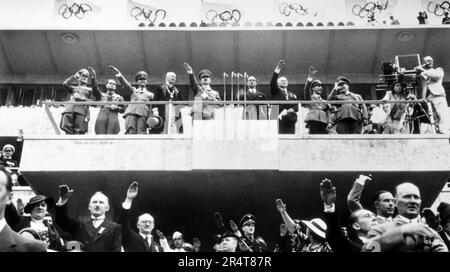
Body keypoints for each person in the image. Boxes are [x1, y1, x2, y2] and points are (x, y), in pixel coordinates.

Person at [366, 182, 448, 252]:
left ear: (420, 202)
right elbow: (368, 250)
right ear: (395, 202)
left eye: (416, 197)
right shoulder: (379, 230)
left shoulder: (430, 231)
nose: (412, 201)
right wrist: (402, 231)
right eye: (407, 196)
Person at [55, 185, 122, 252]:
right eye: (94, 202)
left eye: (101, 202)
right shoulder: (80, 224)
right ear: (89, 207)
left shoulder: (115, 228)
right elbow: (63, 221)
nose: (97, 205)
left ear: (107, 208)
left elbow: (117, 250)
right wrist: (63, 200)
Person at [320, 178, 380, 252]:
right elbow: (335, 233)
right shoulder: (350, 248)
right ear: (356, 226)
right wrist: (329, 205)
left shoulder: (386, 244)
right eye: (367, 216)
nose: (374, 218)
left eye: (374, 215)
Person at [0, 167, 47, 252]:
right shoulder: (20, 221)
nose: (40, 208)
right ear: (30, 209)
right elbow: (11, 213)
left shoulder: (51, 229)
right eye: (36, 205)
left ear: (9, 197)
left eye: (43, 205)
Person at [109, 66, 163, 134]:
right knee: (130, 130)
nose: (142, 80)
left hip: (143, 113)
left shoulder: (151, 94)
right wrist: (118, 73)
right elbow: (126, 84)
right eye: (140, 79)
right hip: (131, 112)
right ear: (137, 82)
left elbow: (155, 105)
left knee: (141, 131)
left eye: (144, 79)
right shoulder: (133, 90)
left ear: (146, 81)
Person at [118, 181, 163, 252]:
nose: (147, 224)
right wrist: (129, 199)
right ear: (138, 225)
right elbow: (123, 224)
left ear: (153, 226)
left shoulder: (159, 248)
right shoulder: (130, 237)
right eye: (144, 222)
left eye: (150, 222)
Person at [416, 56, 449, 134]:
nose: (430, 62)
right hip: (430, 97)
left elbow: (437, 76)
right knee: (433, 116)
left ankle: (445, 132)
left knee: (442, 114)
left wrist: (422, 69)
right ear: (423, 63)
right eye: (428, 61)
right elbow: (424, 87)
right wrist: (423, 100)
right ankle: (438, 131)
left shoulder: (438, 70)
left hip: (438, 95)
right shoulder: (423, 73)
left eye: (431, 60)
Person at [60, 67, 99, 134]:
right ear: (79, 77)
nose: (84, 77)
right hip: (70, 109)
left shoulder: (90, 90)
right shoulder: (73, 88)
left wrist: (83, 99)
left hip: (81, 111)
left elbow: (95, 102)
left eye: (86, 76)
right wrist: (74, 76)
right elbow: (65, 84)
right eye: (82, 75)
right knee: (66, 126)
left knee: (79, 130)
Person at [271, 60, 299, 134]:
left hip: (289, 118)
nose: (284, 81)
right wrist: (277, 69)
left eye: (285, 80)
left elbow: (297, 106)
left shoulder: (293, 94)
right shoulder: (275, 91)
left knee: (290, 137)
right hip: (277, 116)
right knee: (278, 137)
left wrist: (292, 109)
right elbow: (272, 82)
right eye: (281, 80)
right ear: (277, 83)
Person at [304, 67, 331, 134]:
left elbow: (328, 111)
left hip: (324, 121)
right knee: (314, 137)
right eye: (318, 86)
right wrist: (310, 78)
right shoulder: (310, 97)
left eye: (321, 86)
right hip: (313, 119)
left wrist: (330, 122)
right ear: (313, 88)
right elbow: (306, 90)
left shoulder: (324, 101)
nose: (320, 87)